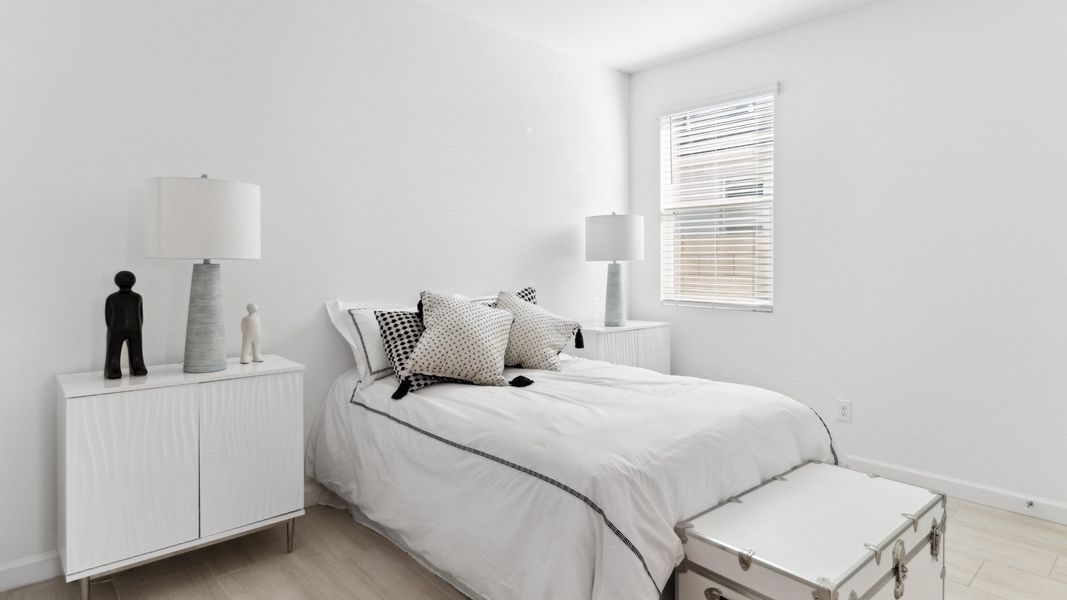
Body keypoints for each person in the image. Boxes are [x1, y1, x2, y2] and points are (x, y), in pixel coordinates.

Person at [105, 271, 148, 379]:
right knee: (119, 351)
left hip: (120, 328)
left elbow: (108, 316)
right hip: (133, 328)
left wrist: (112, 327)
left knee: (130, 351)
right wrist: (139, 326)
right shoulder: (114, 298)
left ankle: (134, 367)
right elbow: (141, 315)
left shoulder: (137, 298)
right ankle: (114, 369)